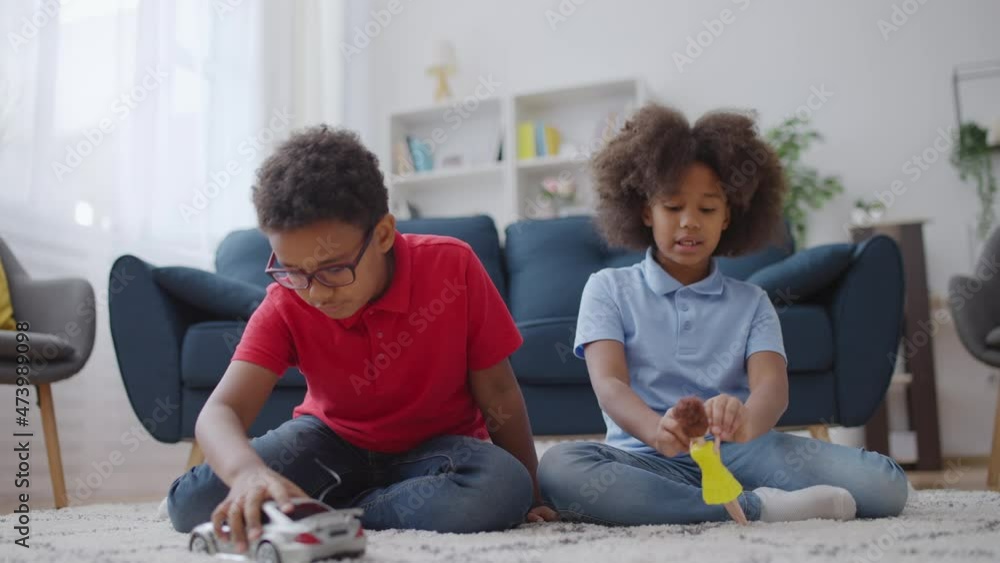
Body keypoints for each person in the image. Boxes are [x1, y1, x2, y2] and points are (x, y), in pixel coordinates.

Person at [167, 126, 556, 551]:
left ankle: (329, 512)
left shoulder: (453, 266)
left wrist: (531, 493)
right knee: (191, 504)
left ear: (384, 235)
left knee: (504, 489)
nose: (314, 292)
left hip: (434, 456)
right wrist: (246, 473)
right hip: (329, 443)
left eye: (334, 269)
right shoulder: (285, 300)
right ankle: (328, 507)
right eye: (293, 270)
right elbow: (220, 410)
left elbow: (499, 388)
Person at [538, 103, 909, 525]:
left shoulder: (753, 302)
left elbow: (772, 388)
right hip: (646, 459)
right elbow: (609, 384)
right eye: (673, 207)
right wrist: (656, 430)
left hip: (743, 454)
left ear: (729, 215)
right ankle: (757, 507)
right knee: (558, 467)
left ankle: (695, 503)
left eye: (708, 209)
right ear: (646, 211)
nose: (690, 222)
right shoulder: (607, 288)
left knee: (887, 486)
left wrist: (746, 421)